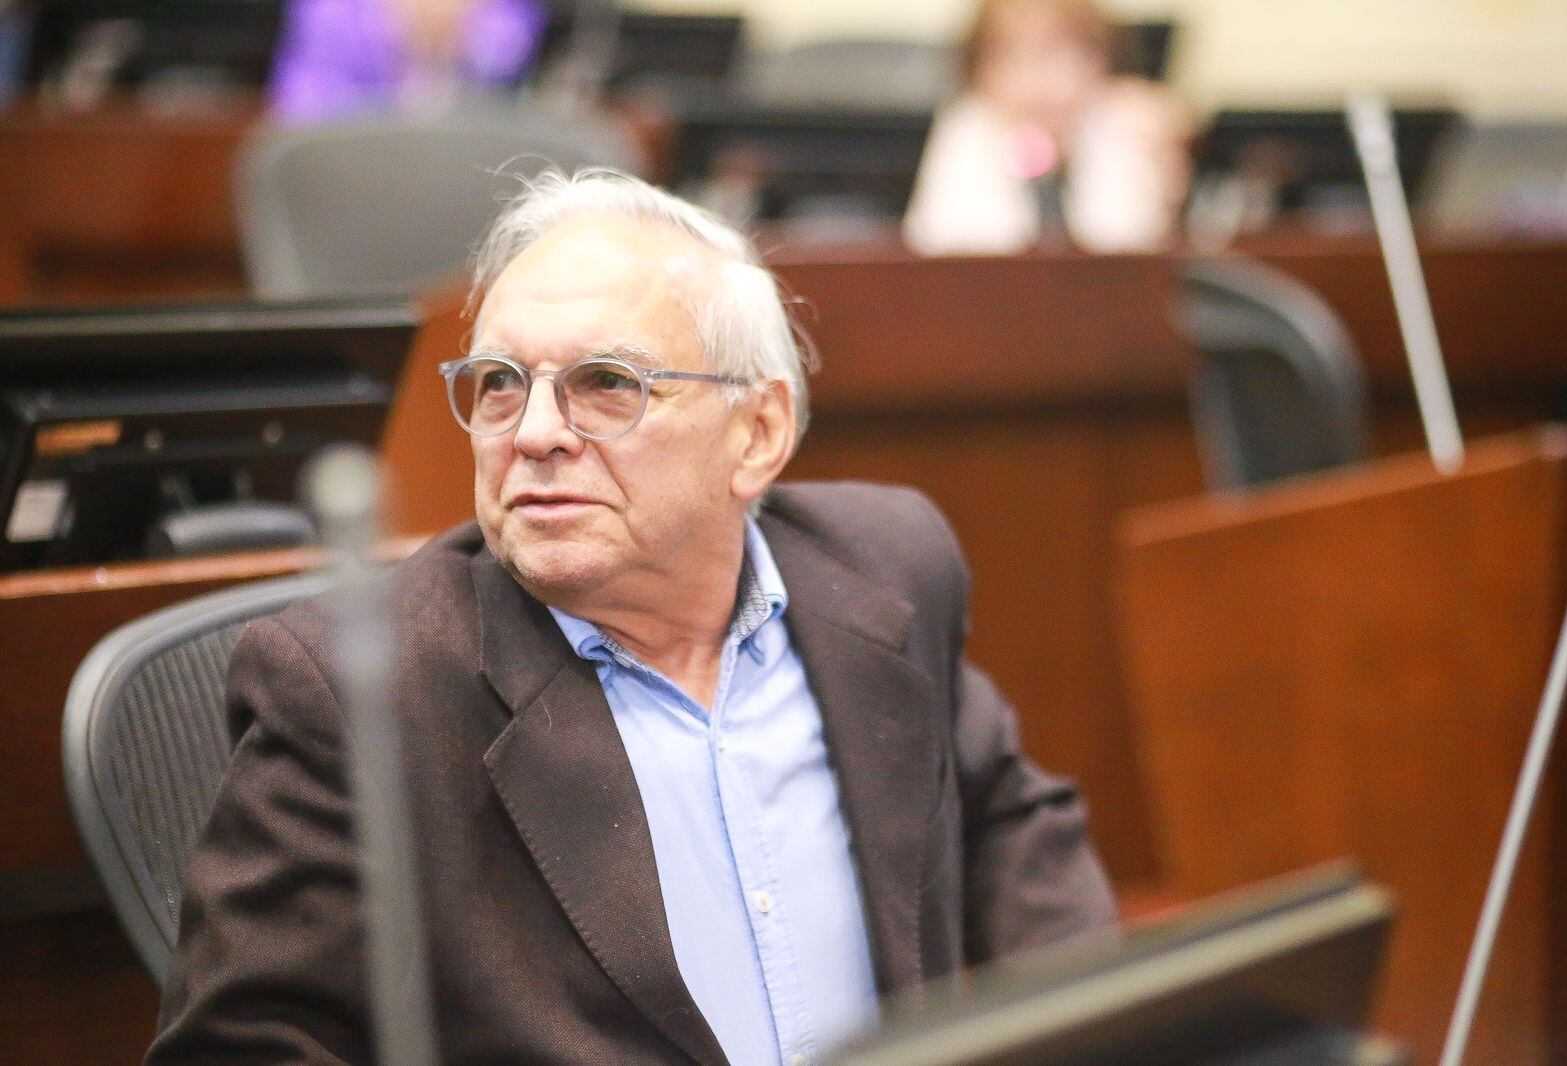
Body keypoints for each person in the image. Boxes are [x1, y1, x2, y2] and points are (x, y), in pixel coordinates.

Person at [146, 169, 1116, 1064]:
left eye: (606, 385)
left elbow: (1010, 832)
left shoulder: (885, 568)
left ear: (759, 431)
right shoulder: (362, 685)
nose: (532, 435)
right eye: (499, 385)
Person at [903, 0, 1190, 255]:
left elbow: (1133, 253)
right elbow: (943, 253)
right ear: (978, 71)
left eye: (1061, 55)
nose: (1039, 82)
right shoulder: (967, 131)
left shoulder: (1123, 123)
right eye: (1014, 56)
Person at [268, 0, 547, 123]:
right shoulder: (331, 14)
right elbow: (302, 120)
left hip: (466, 180)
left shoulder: (506, 15)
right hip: (358, 181)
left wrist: (463, 35)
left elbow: (510, 53)